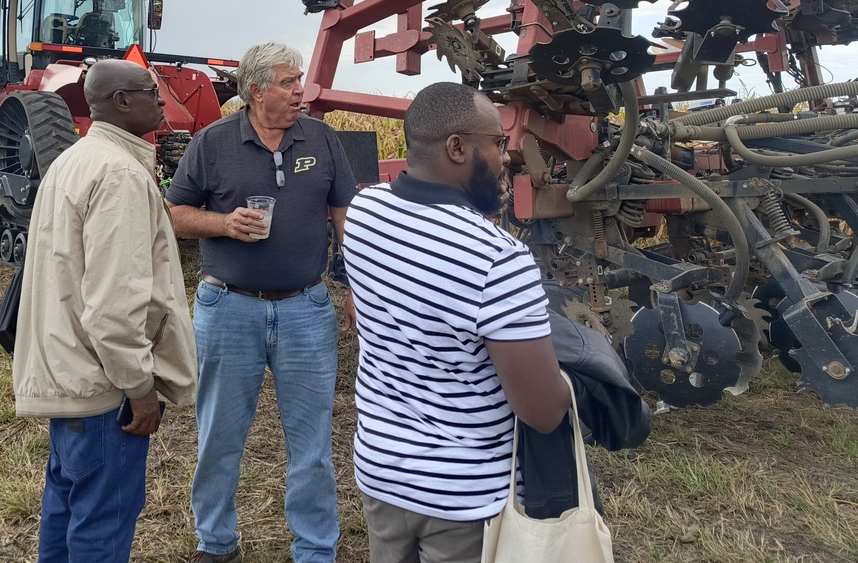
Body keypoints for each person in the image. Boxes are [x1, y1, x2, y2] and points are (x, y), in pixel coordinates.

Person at [342, 81, 571, 563]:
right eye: (498, 143)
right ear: (457, 148)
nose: (507, 157)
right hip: (464, 500)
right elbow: (542, 412)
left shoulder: (364, 213)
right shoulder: (498, 259)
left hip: (381, 473)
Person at [166, 42, 358, 563]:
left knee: (313, 443)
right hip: (227, 308)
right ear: (256, 91)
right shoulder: (212, 143)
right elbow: (175, 213)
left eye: (300, 80)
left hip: (306, 309)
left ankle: (316, 549)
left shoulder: (321, 138)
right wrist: (224, 224)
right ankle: (216, 542)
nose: (302, 90)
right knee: (219, 437)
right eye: (289, 82)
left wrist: (358, 290)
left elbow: (345, 218)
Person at [13, 59, 198, 563]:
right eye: (151, 92)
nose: (162, 102)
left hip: (67, 370)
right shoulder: (119, 175)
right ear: (121, 101)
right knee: (103, 519)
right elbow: (115, 306)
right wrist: (140, 390)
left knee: (66, 504)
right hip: (103, 389)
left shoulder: (74, 160)